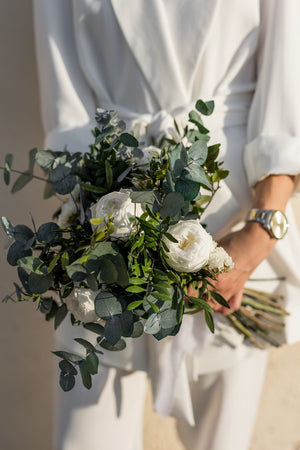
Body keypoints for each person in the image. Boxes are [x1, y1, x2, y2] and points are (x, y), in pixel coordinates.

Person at [33, 1, 300, 449]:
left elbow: (287, 83)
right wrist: (95, 230)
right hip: (105, 212)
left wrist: (257, 237)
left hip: (232, 224)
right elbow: (68, 117)